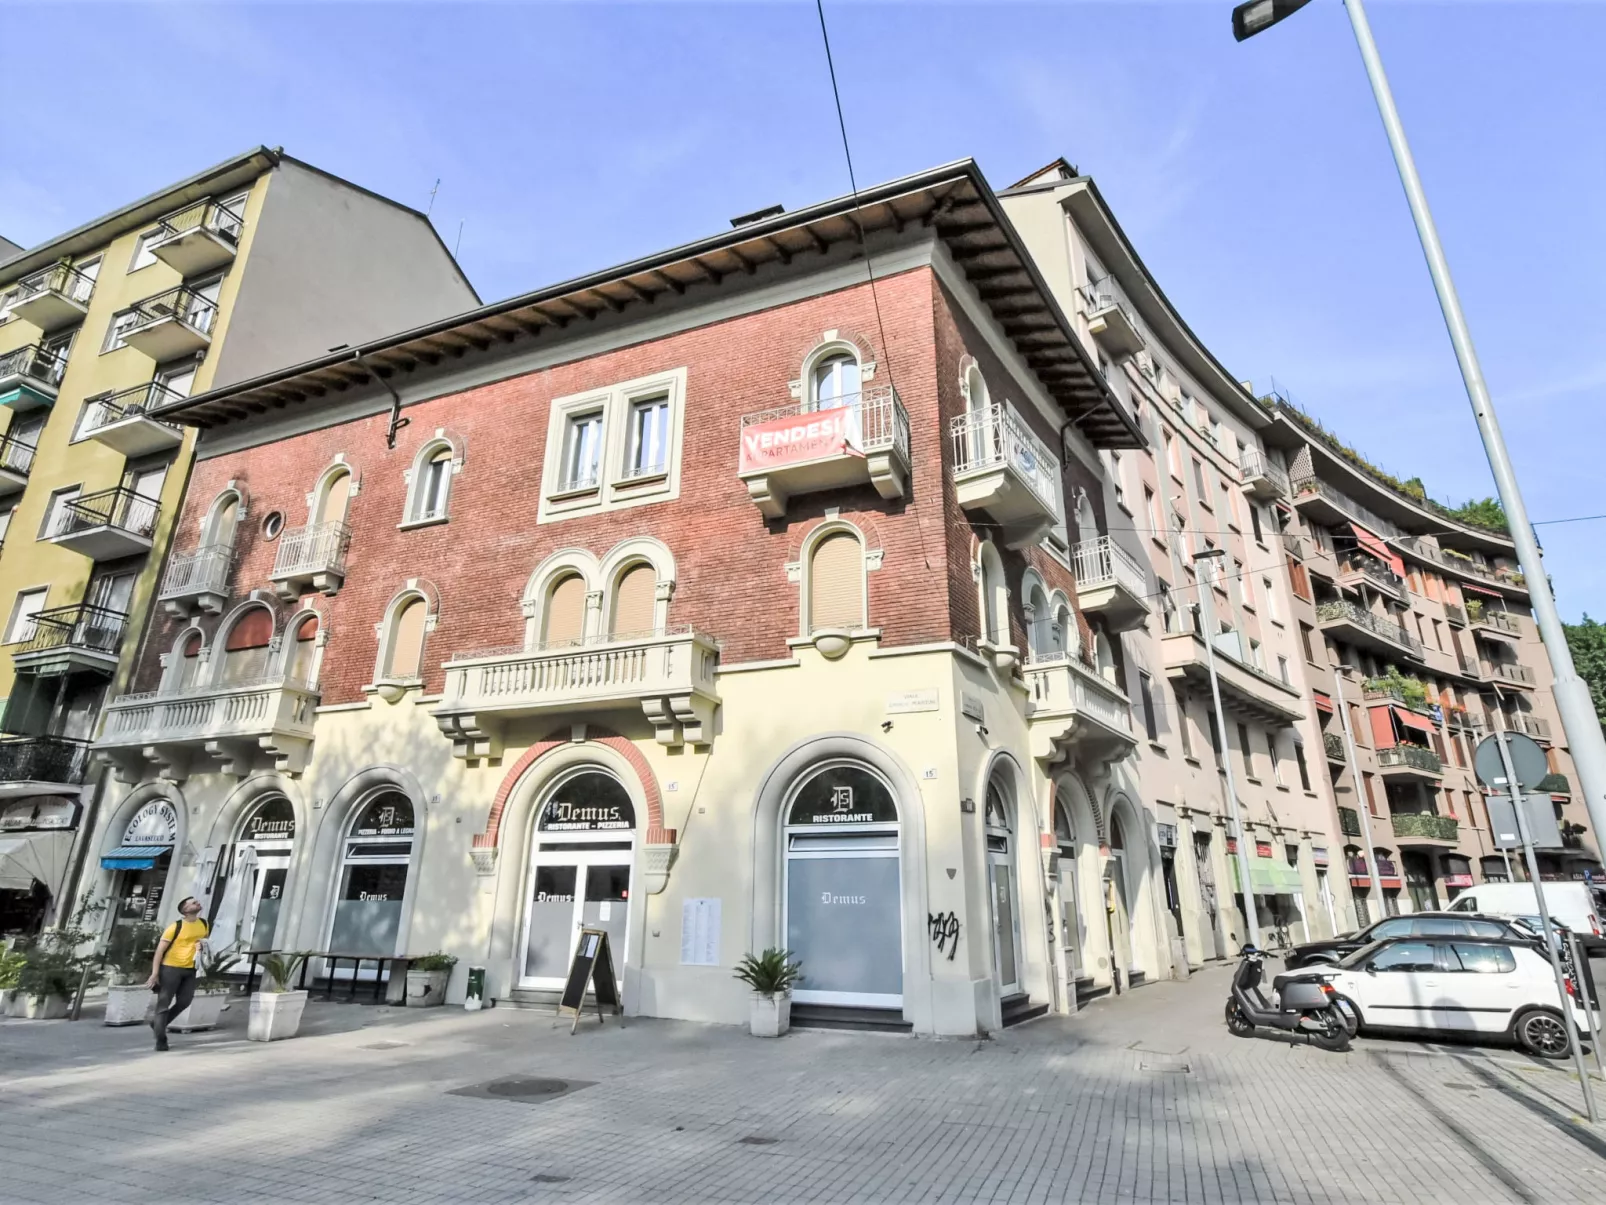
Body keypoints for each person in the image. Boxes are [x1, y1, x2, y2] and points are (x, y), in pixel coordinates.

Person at [147, 897, 208, 1052]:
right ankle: (161, 1040)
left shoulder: (204, 924)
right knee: (163, 1004)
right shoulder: (176, 927)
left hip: (191, 969)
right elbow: (159, 951)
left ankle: (158, 1024)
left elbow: (204, 942)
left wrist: (202, 946)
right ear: (185, 910)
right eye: (193, 903)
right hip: (170, 968)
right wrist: (155, 974)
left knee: (185, 1001)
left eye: (197, 901)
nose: (198, 903)